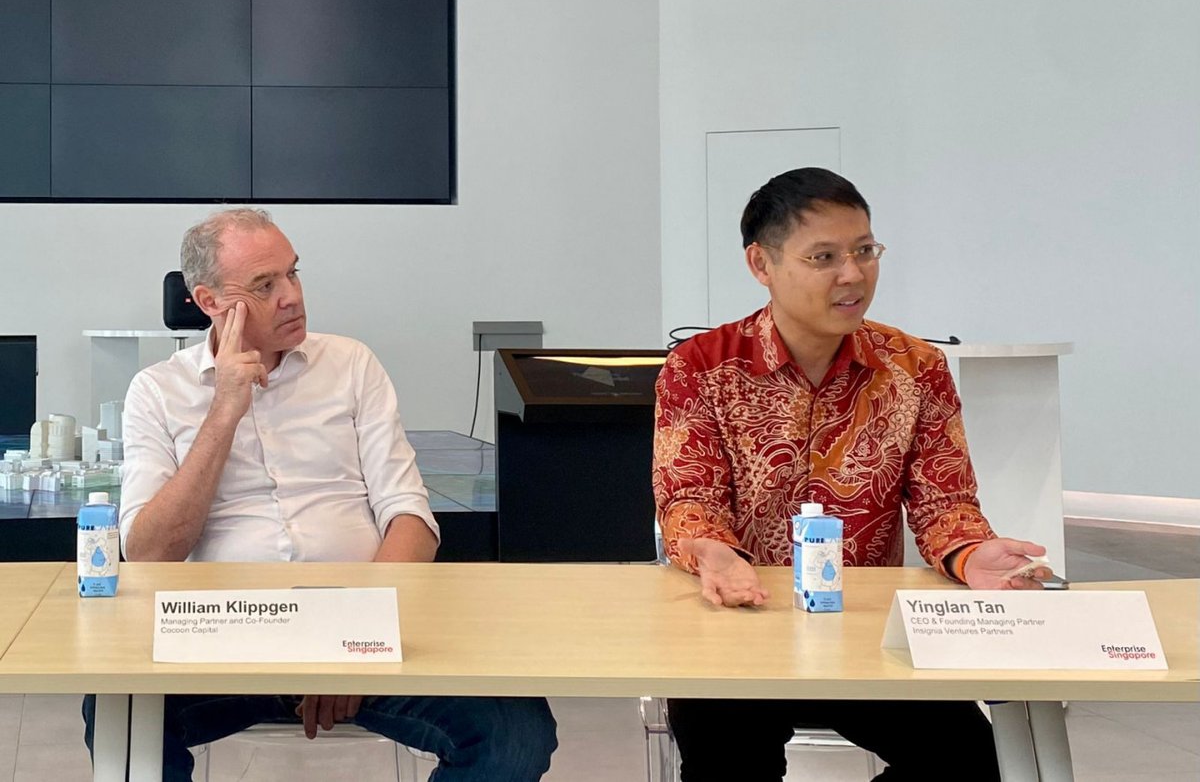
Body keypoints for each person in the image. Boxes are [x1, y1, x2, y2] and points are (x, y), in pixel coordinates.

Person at [83, 208, 556, 781]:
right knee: (116, 715)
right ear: (209, 301)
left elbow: (410, 518)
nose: (291, 296)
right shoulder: (158, 390)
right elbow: (148, 555)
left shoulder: (351, 364)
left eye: (293, 273)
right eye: (264, 285)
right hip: (223, 637)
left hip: (366, 628)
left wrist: (356, 637)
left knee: (515, 735)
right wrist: (225, 409)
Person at [652, 168, 1052, 782]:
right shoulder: (701, 367)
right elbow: (690, 497)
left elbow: (945, 501)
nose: (853, 274)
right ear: (761, 264)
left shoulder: (915, 367)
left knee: (973, 763)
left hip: (864, 633)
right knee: (726, 766)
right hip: (738, 627)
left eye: (865, 251)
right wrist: (712, 551)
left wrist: (971, 553)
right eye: (824, 257)